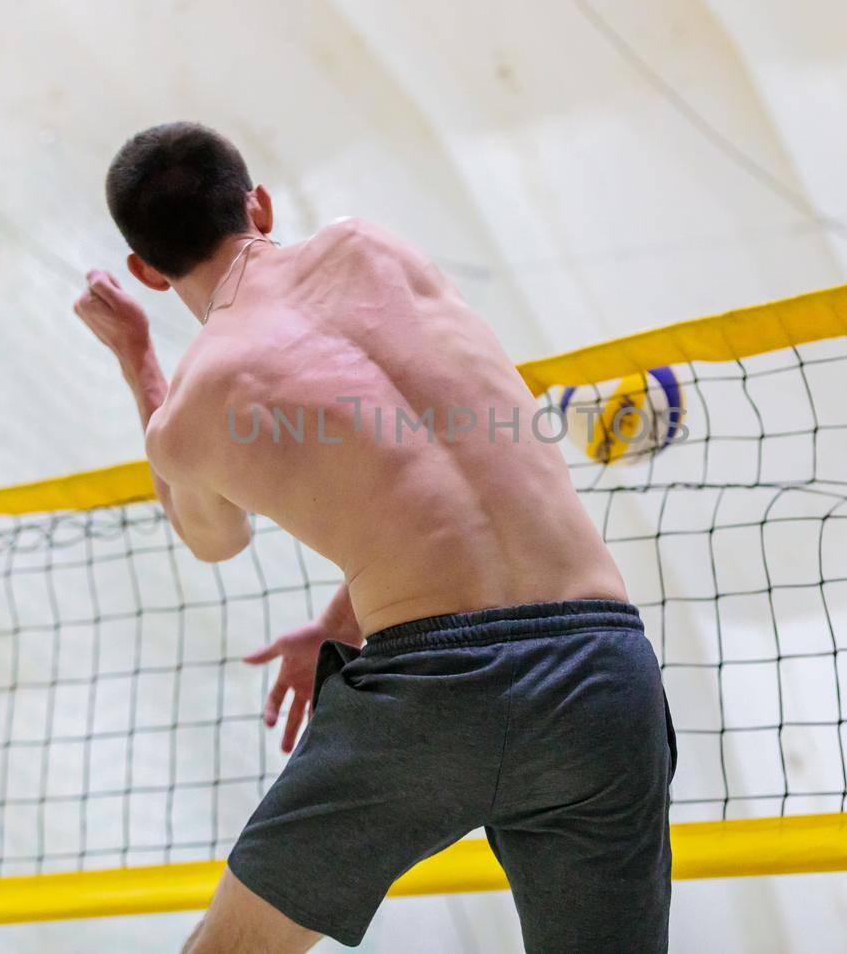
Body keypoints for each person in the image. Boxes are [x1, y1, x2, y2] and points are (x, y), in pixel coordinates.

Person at [74, 122, 674, 953]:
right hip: (606, 672)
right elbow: (444, 477)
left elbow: (213, 540)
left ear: (145, 269)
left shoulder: (195, 405)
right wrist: (333, 626)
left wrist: (137, 356)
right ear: (259, 203)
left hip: (436, 695)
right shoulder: (376, 249)